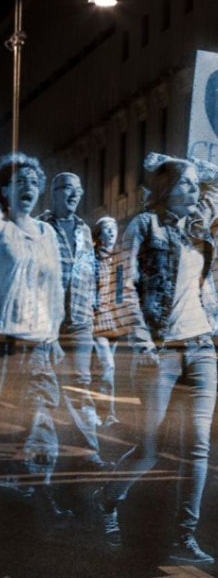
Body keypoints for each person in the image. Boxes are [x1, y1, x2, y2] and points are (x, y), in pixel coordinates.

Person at [94, 153, 218, 565]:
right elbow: (121, 286)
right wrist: (141, 342)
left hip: (201, 346)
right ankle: (107, 500)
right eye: (185, 183)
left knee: (200, 446)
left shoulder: (197, 224)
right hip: (160, 351)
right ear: (167, 190)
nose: (194, 189)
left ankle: (184, 535)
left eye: (192, 183)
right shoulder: (143, 225)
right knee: (149, 447)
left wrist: (176, 161)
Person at [0, 153, 69, 519]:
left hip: (39, 344)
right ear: (4, 190)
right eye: (19, 181)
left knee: (41, 423)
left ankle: (43, 496)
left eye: (33, 182)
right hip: (3, 343)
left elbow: (56, 287)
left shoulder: (48, 234)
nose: (28, 187)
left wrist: (55, 334)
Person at [39, 172, 108, 470]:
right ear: (54, 192)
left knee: (80, 383)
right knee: (45, 385)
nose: (74, 195)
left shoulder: (84, 230)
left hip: (80, 319)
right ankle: (44, 455)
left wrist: (93, 309)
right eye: (67, 188)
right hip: (48, 319)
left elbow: (90, 272)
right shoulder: (42, 228)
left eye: (78, 190)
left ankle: (88, 452)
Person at [92, 216, 123, 429]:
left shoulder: (119, 261)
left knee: (106, 370)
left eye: (114, 229)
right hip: (96, 320)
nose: (111, 232)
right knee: (106, 367)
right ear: (98, 235)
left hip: (114, 321)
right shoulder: (92, 260)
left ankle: (106, 412)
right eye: (106, 229)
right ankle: (101, 412)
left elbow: (121, 294)